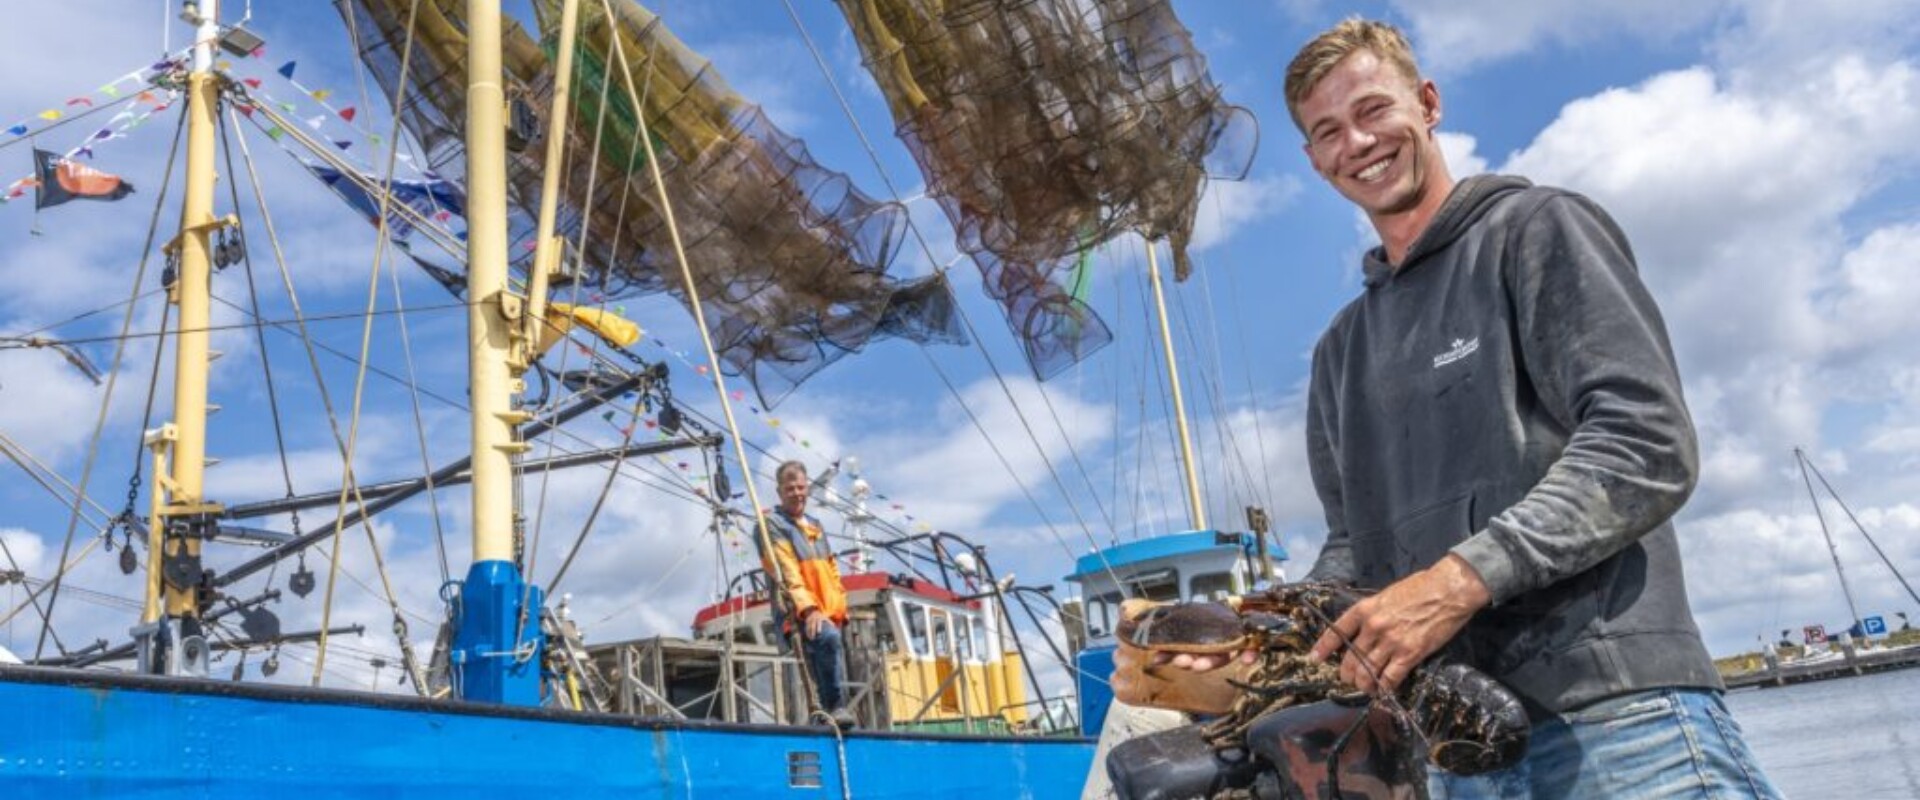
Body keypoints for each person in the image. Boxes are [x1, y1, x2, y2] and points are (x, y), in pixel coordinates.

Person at [1113, 18, 1783, 799]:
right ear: (1313, 161)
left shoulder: (1537, 231)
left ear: (1427, 103)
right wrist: (1266, 638)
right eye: (1329, 131)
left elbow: (1646, 443)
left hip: (1622, 720)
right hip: (1455, 756)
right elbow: (1353, 554)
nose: (1357, 142)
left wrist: (1458, 581)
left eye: (1372, 110)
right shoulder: (1340, 352)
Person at [757, 460, 857, 729]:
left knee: (832, 655)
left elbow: (832, 569)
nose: (797, 493)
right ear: (779, 492)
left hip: (827, 611)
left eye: (801, 487)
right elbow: (785, 569)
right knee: (827, 639)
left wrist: (839, 606)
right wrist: (808, 608)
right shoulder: (772, 524)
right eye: (790, 488)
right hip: (798, 612)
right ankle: (834, 709)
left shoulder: (816, 525)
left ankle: (827, 719)